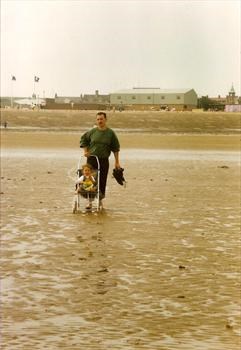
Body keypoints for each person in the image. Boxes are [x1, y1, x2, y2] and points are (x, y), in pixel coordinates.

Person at [80, 111, 121, 207]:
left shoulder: (110, 133)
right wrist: (85, 151)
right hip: (92, 159)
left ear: (105, 120)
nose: (99, 121)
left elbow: (116, 148)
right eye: (98, 119)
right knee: (89, 179)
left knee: (102, 180)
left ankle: (100, 200)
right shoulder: (92, 131)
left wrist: (117, 162)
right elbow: (83, 140)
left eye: (101, 119)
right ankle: (89, 201)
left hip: (103, 160)